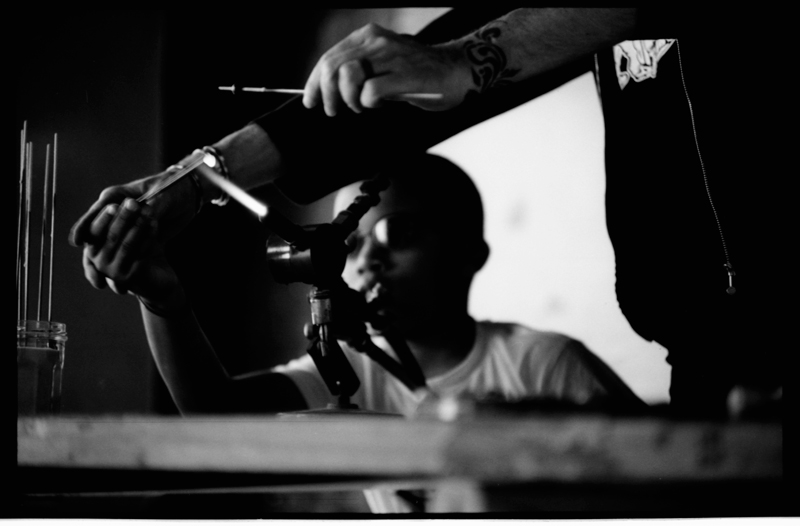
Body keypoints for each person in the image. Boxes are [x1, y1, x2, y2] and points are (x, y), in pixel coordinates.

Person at [70, 8, 785, 418]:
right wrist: (201, 178)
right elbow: (440, 71)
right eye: (358, 240)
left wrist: (457, 59)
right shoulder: (361, 371)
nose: (370, 258)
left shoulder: (541, 363)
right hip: (706, 374)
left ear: (473, 251)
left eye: (401, 234)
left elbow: (461, 62)